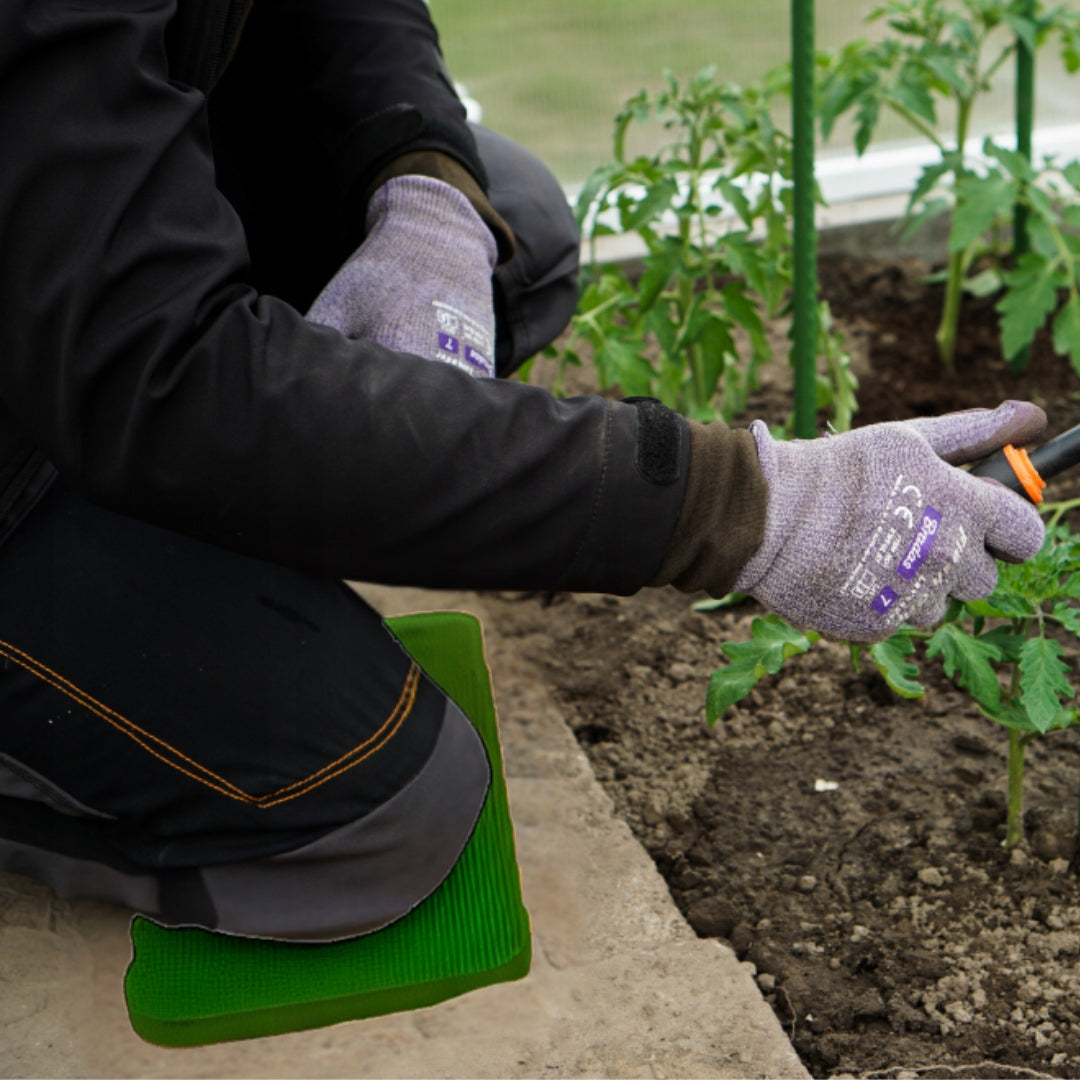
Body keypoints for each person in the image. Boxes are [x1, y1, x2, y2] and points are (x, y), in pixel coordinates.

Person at [0, 0, 1046, 942]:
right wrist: (737, 508)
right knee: (369, 805)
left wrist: (424, 184)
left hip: (65, 273)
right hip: (59, 397)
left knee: (517, 234)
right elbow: (157, 375)